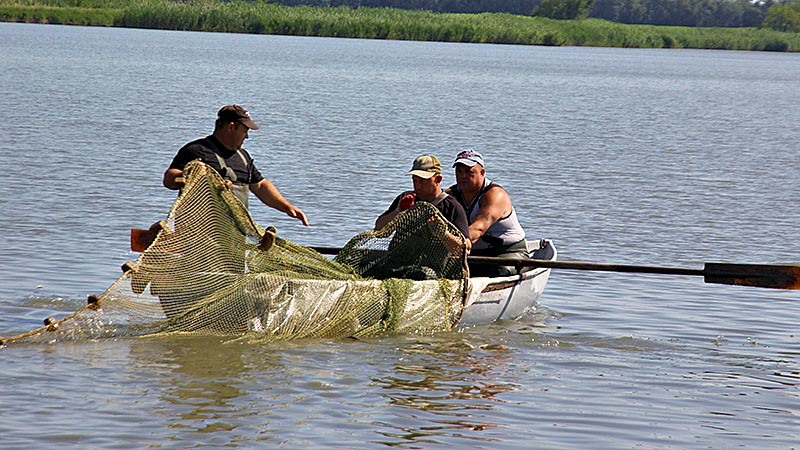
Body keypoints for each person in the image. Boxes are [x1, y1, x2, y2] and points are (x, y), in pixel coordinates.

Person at [163, 105, 308, 226]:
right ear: (231, 127)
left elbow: (260, 186)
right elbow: (169, 180)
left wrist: (287, 207)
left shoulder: (243, 157)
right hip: (200, 233)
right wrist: (188, 175)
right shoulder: (196, 150)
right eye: (245, 130)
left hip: (234, 234)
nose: (247, 136)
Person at [448, 150, 526, 276]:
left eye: (469, 172)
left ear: (482, 173)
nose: (463, 176)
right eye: (459, 172)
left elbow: (478, 229)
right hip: (474, 252)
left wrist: (458, 244)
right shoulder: (451, 195)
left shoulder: (495, 195)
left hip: (507, 251)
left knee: (500, 271)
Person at [375, 155, 470, 240]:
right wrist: (399, 211)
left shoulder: (452, 207)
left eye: (423, 181)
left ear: (438, 179)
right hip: (400, 257)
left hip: (434, 259)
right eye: (415, 180)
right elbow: (379, 231)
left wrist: (443, 234)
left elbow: (466, 246)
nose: (418, 186)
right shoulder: (406, 198)